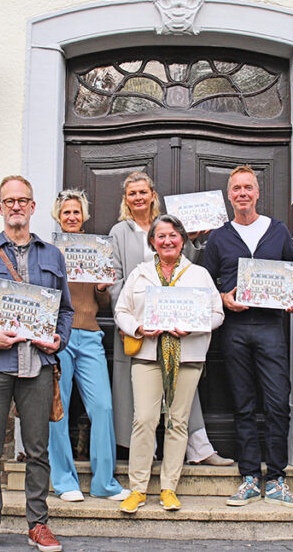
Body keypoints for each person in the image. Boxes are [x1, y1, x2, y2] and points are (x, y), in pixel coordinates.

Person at [0, 176, 74, 552]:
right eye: (9, 201)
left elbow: (65, 311)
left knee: (37, 449)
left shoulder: (52, 255)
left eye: (23, 200)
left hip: (36, 365)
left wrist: (59, 339)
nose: (16, 206)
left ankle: (38, 524)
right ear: (0, 208)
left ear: (33, 207)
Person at [108, 171, 232, 466]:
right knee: (139, 396)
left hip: (177, 323)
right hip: (139, 327)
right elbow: (115, 280)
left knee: (183, 389)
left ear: (153, 194)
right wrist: (130, 325)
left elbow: (187, 266)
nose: (138, 197)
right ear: (126, 199)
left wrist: (195, 240)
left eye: (143, 192)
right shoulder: (119, 231)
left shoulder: (171, 225)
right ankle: (144, 452)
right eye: (132, 193)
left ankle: (199, 448)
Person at [202, 166, 293, 508]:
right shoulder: (219, 237)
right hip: (233, 329)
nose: (243, 193)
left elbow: (291, 274)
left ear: (258, 192)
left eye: (248, 187)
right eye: (237, 189)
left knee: (278, 401)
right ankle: (249, 476)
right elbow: (209, 284)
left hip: (271, 328)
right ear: (229, 195)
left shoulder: (278, 231)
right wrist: (222, 297)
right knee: (243, 403)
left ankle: (276, 478)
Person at [113, 214, 225, 514]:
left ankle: (168, 488)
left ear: (183, 239)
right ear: (153, 242)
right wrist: (137, 328)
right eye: (161, 236)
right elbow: (121, 311)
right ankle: (137, 488)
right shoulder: (139, 274)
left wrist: (194, 326)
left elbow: (218, 314)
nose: (167, 241)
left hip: (187, 357)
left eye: (173, 235)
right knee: (144, 420)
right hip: (148, 355)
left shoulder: (199, 274)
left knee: (178, 422)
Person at [47, 189, 129, 503]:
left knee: (103, 407)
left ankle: (104, 482)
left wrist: (101, 288)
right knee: (59, 409)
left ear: (84, 216)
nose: (71, 217)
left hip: (91, 333)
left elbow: (100, 301)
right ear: (58, 215)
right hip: (59, 336)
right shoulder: (49, 249)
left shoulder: (97, 248)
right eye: (66, 212)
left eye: (76, 212)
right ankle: (64, 480)